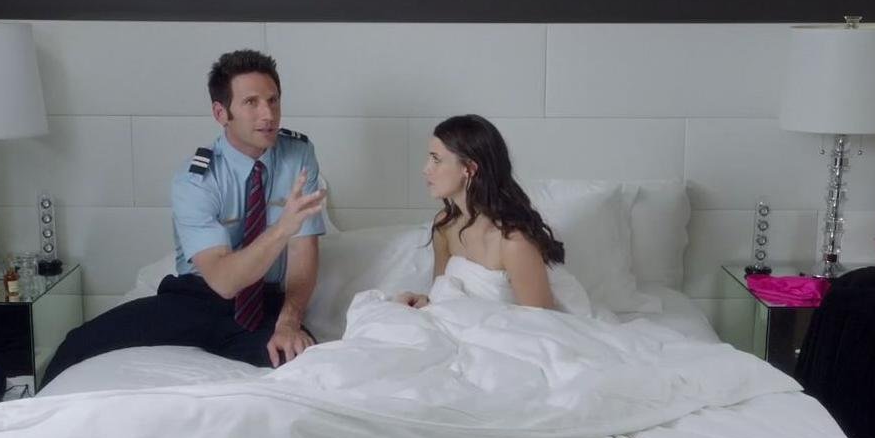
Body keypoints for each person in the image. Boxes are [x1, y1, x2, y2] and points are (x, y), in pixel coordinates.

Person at [42, 50, 326, 384]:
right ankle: (28, 408)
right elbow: (223, 281)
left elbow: (302, 252)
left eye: (273, 100)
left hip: (263, 302)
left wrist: (289, 321)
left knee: (303, 362)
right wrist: (281, 229)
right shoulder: (195, 180)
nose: (268, 114)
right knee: (78, 345)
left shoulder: (298, 155)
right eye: (251, 102)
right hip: (197, 298)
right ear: (221, 112)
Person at [395, 114, 564, 310]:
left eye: (436, 159)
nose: (426, 169)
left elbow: (544, 320)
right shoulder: (445, 225)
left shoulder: (513, 243)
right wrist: (424, 301)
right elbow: (440, 295)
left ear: (469, 169)